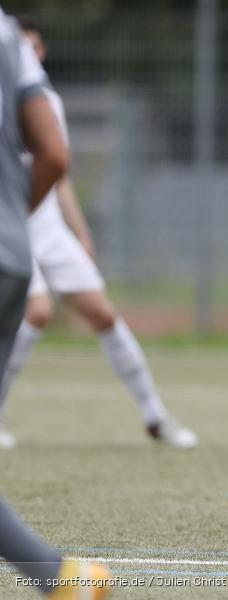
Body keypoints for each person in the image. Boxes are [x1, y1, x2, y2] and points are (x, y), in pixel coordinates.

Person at [0, 17, 197, 451]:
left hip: (45, 225)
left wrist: (80, 231)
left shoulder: (45, 100)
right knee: (36, 312)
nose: (25, 54)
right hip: (11, 225)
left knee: (103, 314)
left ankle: (155, 417)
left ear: (40, 53)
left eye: (33, 47)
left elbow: (58, 169)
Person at [0, 9, 109, 598]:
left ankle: (58, 577)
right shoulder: (7, 34)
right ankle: (61, 578)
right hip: (11, 255)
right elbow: (55, 153)